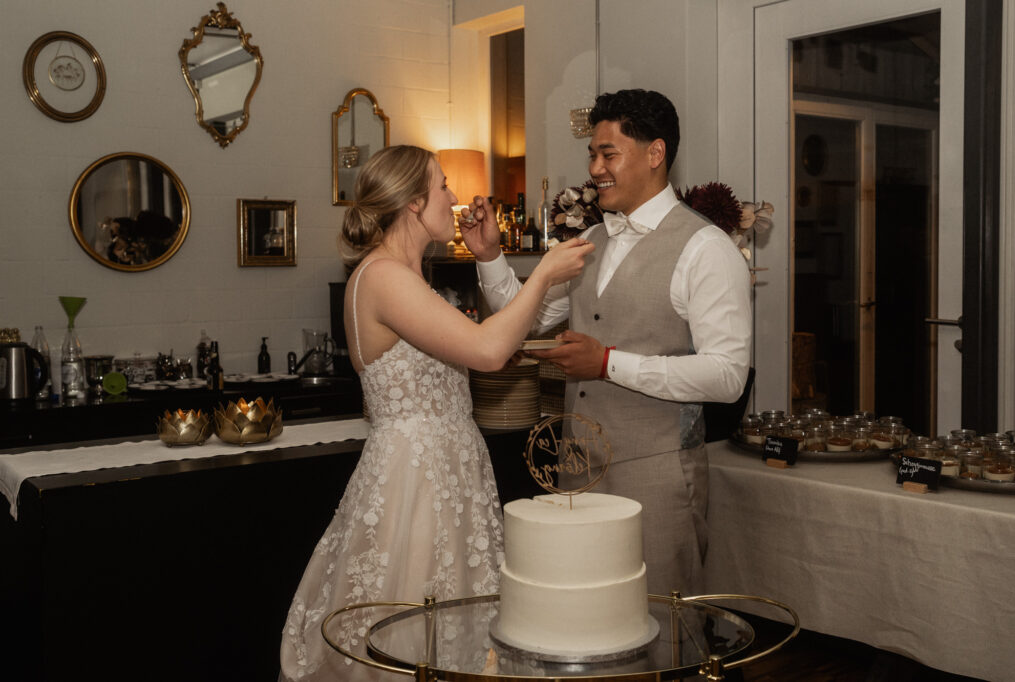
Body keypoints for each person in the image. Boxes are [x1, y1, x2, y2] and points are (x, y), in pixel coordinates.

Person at [279, 145, 593, 681]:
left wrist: (490, 275)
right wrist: (542, 274)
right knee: (409, 623)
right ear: (412, 201)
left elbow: (473, 350)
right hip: (416, 479)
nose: (453, 197)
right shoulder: (383, 276)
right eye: (443, 186)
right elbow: (486, 349)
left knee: (449, 625)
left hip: (448, 468)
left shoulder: (405, 276)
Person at [461, 89, 752, 598]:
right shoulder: (591, 241)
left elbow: (727, 376)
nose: (595, 168)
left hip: (657, 474)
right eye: (592, 155)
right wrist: (488, 256)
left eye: (608, 154)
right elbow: (524, 319)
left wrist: (607, 364)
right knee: (585, 613)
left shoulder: (707, 248)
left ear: (655, 153)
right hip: (577, 469)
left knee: (660, 617)